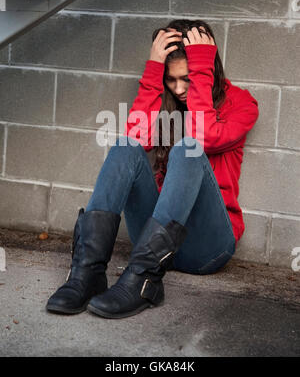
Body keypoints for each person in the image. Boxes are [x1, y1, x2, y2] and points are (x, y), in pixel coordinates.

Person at [46, 19, 259, 319]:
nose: (180, 88)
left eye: (187, 78)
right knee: (125, 146)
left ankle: (143, 282)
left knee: (188, 147)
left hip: (207, 247)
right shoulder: (166, 104)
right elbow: (136, 137)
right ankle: (87, 273)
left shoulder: (242, 104)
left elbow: (204, 137)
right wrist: (152, 71)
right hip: (157, 245)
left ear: (207, 69)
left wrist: (201, 69)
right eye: (171, 80)